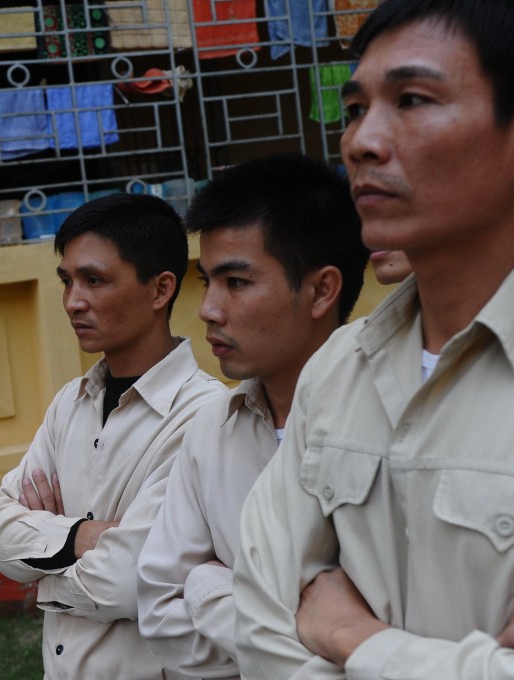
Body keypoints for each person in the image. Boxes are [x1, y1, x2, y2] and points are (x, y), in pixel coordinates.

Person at [233, 1, 514, 678]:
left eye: (412, 100)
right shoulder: (337, 370)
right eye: (355, 109)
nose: (360, 142)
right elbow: (261, 624)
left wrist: (354, 639)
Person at [136, 153, 368, 678]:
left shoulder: (390, 421)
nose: (208, 309)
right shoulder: (211, 430)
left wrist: (209, 587)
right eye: (206, 282)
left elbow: (407, 628)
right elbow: (161, 613)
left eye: (236, 283)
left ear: (321, 290)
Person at [0, 193, 226, 679]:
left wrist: (42, 571)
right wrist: (80, 536)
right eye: (67, 281)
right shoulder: (71, 403)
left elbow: (126, 583)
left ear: (160, 290)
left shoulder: (205, 415)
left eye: (95, 280)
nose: (74, 301)